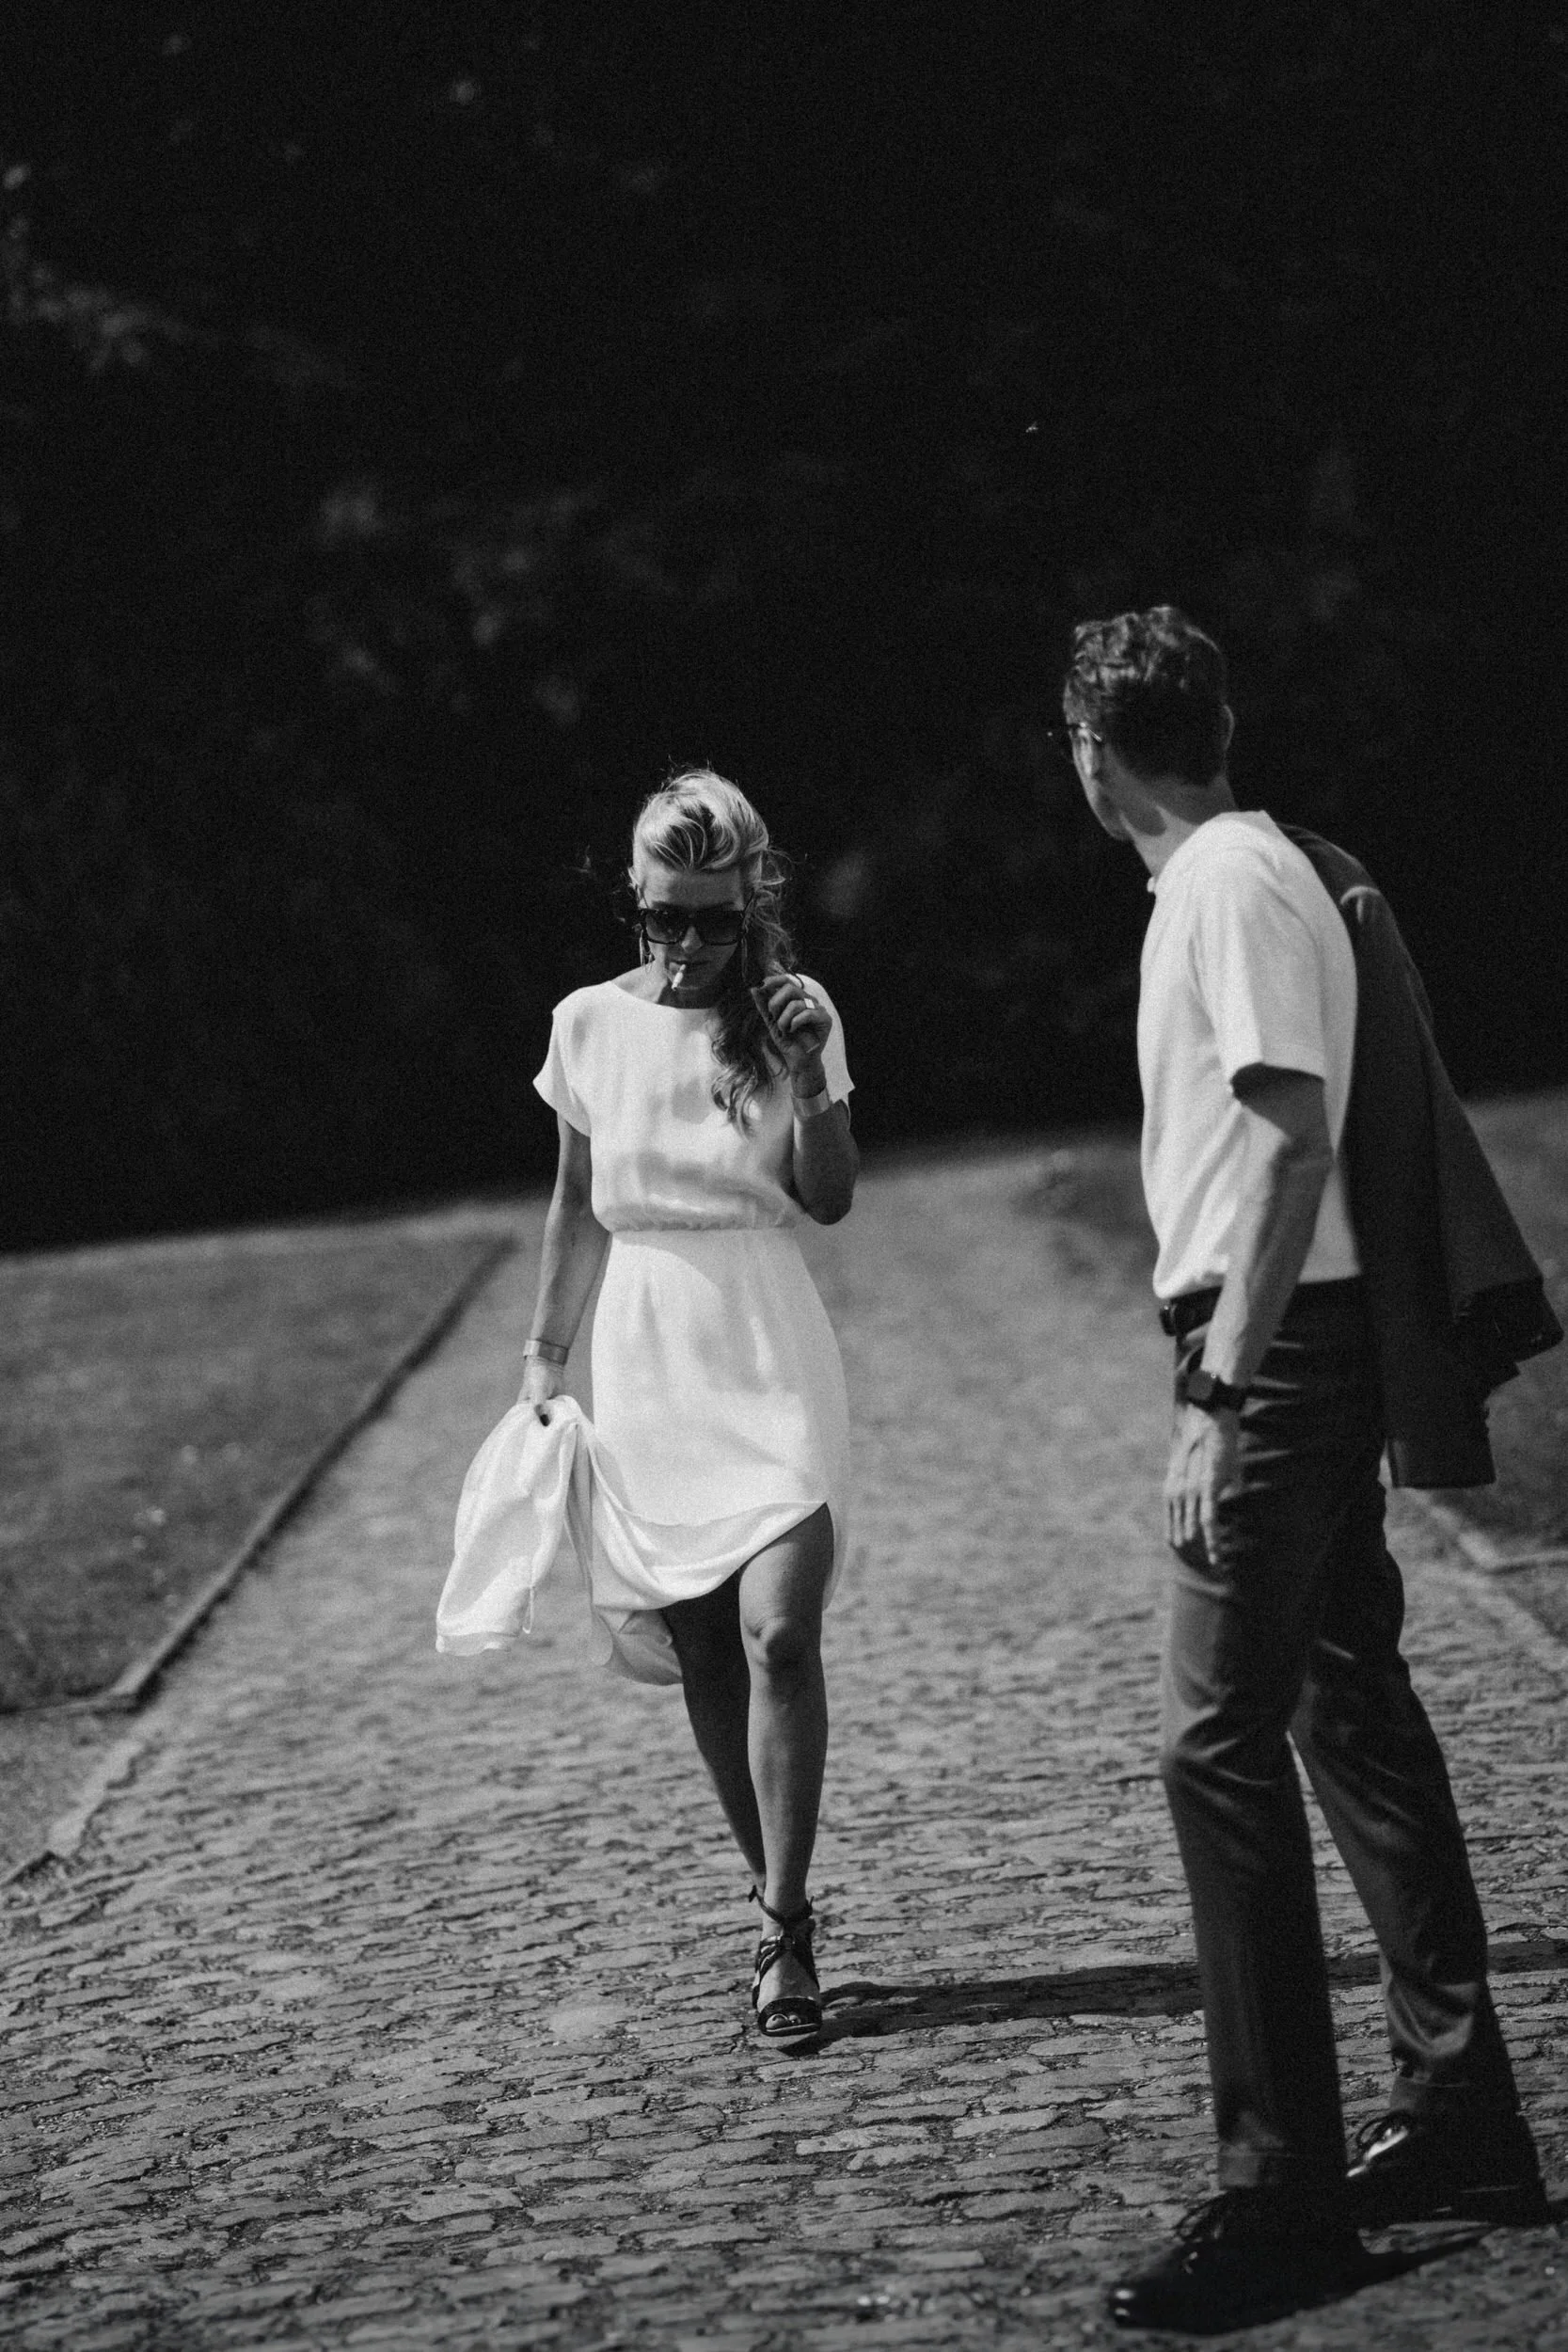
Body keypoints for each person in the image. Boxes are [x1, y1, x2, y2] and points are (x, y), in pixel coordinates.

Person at [1060, 609, 1547, 2331]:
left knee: (1213, 1744)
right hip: (1299, 1339)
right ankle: (1460, 2116)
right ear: (1219, 721)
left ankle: (1278, 2200)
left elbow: (1286, 1134)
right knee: (1345, 1703)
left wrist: (1215, 1385)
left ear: (1090, 753)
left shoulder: (1225, 885)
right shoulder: (1250, 871)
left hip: (1275, 1353)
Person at [517, 767, 858, 2048]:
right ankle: (780, 1919)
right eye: (667, 916)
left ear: (753, 900)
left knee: (778, 1630)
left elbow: (827, 1198)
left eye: (714, 916)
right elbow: (568, 1202)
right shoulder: (585, 1026)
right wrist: (542, 1361)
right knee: (704, 1646)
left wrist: (814, 1073)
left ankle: (781, 1920)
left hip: (763, 1341)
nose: (691, 943)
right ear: (636, 902)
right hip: (645, 1355)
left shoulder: (792, 1014)